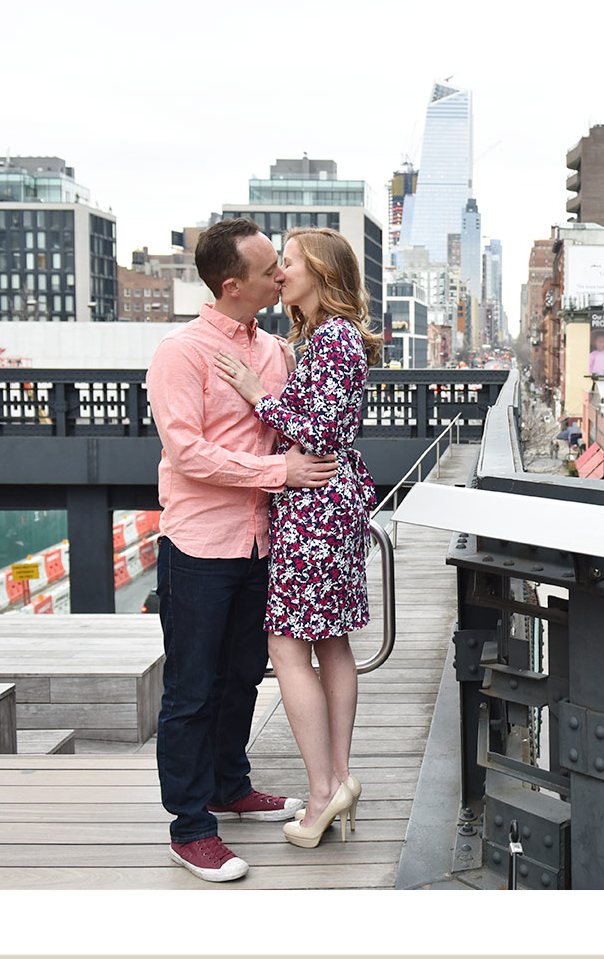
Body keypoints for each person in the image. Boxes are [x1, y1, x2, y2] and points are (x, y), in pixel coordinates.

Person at [146, 217, 338, 883]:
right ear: (232, 286)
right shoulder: (182, 352)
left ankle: (229, 783)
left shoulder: (276, 350)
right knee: (192, 687)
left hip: (263, 543)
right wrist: (277, 474)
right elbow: (187, 452)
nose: (279, 275)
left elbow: (291, 428)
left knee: (241, 676)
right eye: (267, 270)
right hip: (200, 545)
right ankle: (191, 826)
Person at [215, 226, 382, 850]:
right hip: (328, 503)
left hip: (315, 505)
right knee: (331, 644)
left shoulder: (333, 338)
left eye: (288, 262)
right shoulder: (321, 338)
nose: (280, 273)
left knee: (286, 646)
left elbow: (323, 427)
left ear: (322, 272)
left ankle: (321, 793)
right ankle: (337, 778)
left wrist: (258, 395)